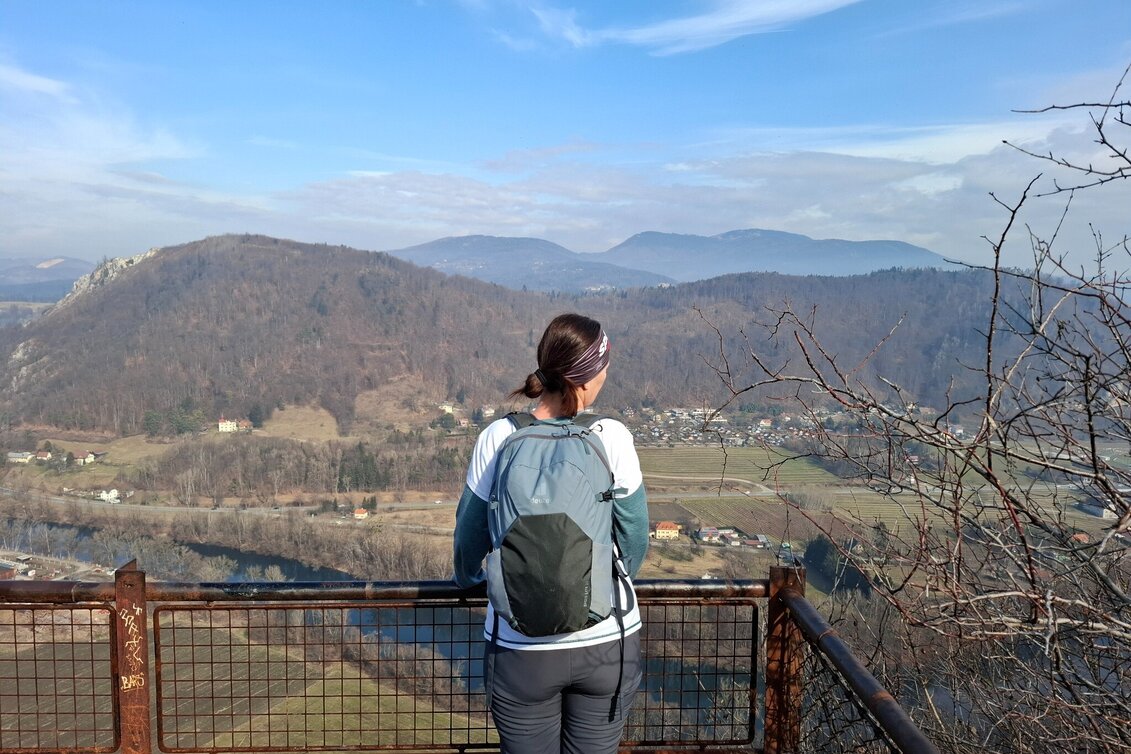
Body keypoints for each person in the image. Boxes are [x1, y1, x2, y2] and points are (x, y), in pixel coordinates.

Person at [453, 312, 649, 754]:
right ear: (584, 379)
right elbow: (635, 537)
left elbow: (469, 538)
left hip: (521, 648)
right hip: (606, 643)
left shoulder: (498, 437)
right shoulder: (611, 436)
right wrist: (603, 578)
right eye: (603, 365)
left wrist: (468, 580)